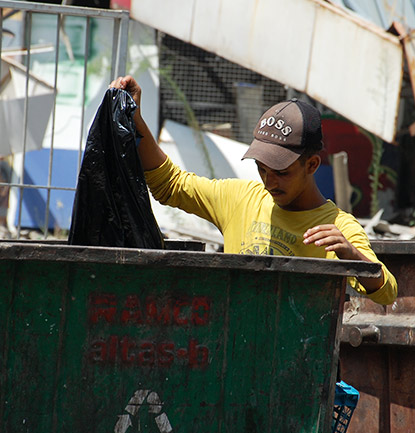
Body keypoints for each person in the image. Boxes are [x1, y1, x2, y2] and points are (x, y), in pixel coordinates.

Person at [109, 76, 397, 305]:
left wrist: (351, 255)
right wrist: (135, 118)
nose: (269, 182)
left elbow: (387, 292)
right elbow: (170, 184)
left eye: (282, 173)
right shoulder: (240, 200)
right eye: (262, 169)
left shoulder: (337, 227)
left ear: (312, 165)